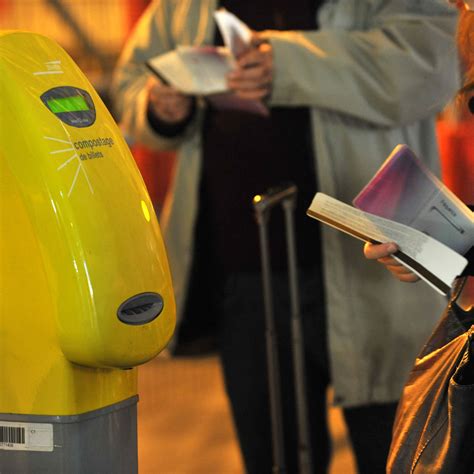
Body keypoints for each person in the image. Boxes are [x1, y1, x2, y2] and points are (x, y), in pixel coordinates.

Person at [112, 1, 459, 472]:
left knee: (398, 450)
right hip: (245, 269)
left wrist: (289, 62)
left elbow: (433, 62)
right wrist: (156, 106)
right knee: (272, 455)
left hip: (375, 269)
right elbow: (132, 79)